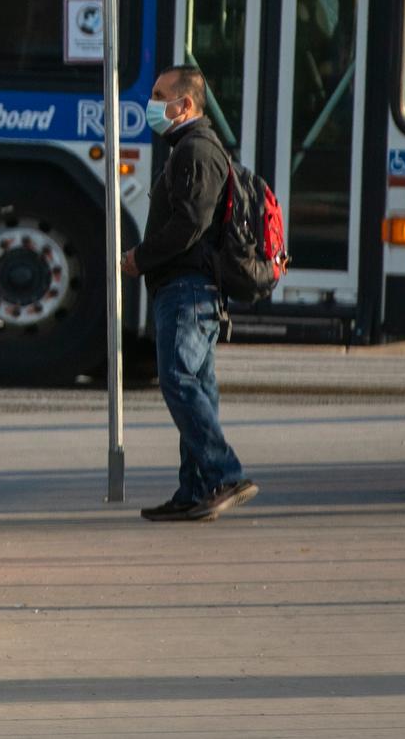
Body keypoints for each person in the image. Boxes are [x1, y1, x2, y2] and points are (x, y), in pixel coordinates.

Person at [122, 65, 258, 522]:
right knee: (196, 386)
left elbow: (188, 224)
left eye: (160, 95)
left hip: (188, 289)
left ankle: (225, 473)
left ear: (185, 104)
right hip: (188, 289)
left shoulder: (196, 150)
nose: (152, 103)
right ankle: (195, 490)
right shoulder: (189, 147)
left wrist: (140, 257)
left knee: (179, 380)